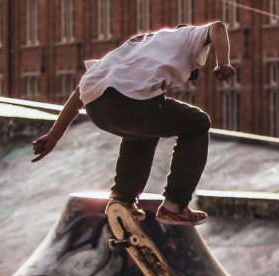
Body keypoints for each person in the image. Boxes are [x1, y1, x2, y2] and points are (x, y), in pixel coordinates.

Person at [32, 21, 235, 225]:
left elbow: (80, 93)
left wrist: (54, 135)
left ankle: (122, 200)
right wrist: (223, 62)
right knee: (197, 122)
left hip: (98, 109)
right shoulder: (186, 36)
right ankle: (175, 206)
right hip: (130, 104)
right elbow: (217, 28)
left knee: (144, 129)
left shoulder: (139, 46)